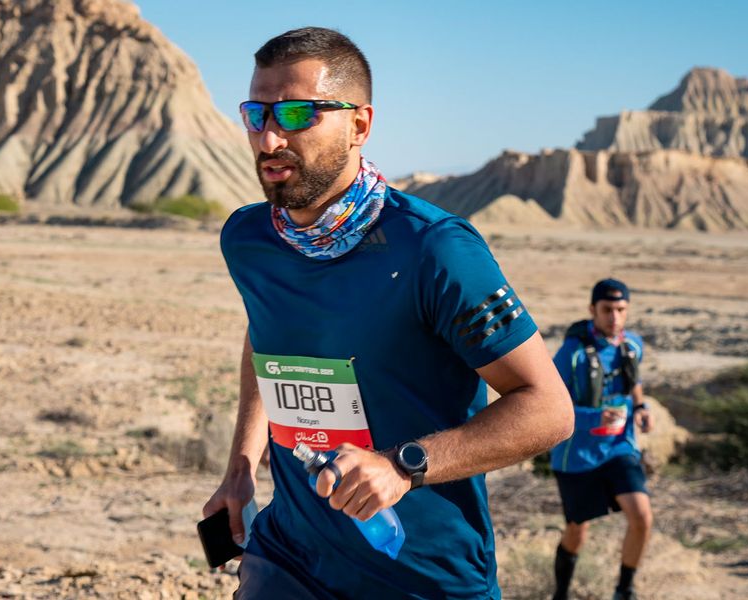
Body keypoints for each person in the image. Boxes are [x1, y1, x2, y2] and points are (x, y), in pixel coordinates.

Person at [203, 26, 574, 599]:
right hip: (289, 557)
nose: (271, 138)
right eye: (258, 114)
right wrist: (240, 466)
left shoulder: (434, 249)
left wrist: (402, 466)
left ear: (359, 124)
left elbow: (548, 410)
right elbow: (267, 336)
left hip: (419, 575)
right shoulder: (249, 238)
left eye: (299, 115)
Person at [549, 279, 654, 600]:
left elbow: (632, 381)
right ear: (592, 309)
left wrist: (640, 406)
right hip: (576, 456)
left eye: (621, 310)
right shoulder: (572, 353)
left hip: (619, 447)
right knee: (577, 530)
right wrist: (595, 418)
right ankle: (561, 593)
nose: (615, 318)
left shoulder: (632, 346)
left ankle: (625, 589)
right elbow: (552, 406)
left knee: (641, 517)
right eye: (607, 310)